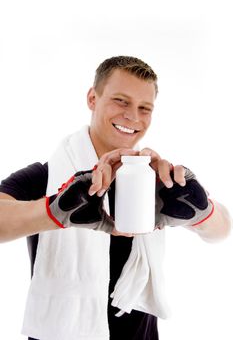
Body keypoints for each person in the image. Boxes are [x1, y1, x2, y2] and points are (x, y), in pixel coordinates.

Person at [0, 55, 231, 340]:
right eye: (121, 101)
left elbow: (222, 231)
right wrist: (56, 211)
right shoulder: (46, 177)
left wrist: (201, 211)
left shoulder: (157, 180)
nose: (133, 116)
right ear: (92, 98)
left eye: (144, 107)